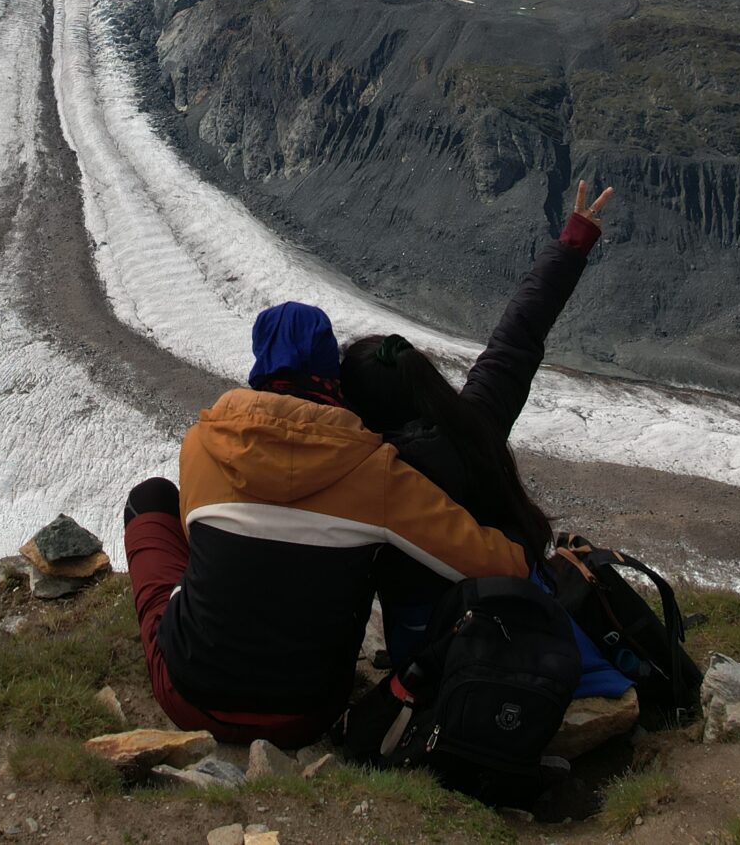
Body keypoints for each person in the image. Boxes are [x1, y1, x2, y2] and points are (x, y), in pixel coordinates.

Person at [121, 299, 531, 747]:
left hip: (187, 698)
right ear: (332, 373)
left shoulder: (203, 444)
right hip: (305, 714)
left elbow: (194, 547)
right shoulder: (375, 469)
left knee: (151, 499)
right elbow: (499, 566)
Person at [340, 181, 617, 689]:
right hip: (523, 616)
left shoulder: (374, 472)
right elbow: (518, 336)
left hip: (430, 648)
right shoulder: (476, 421)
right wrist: (573, 242)